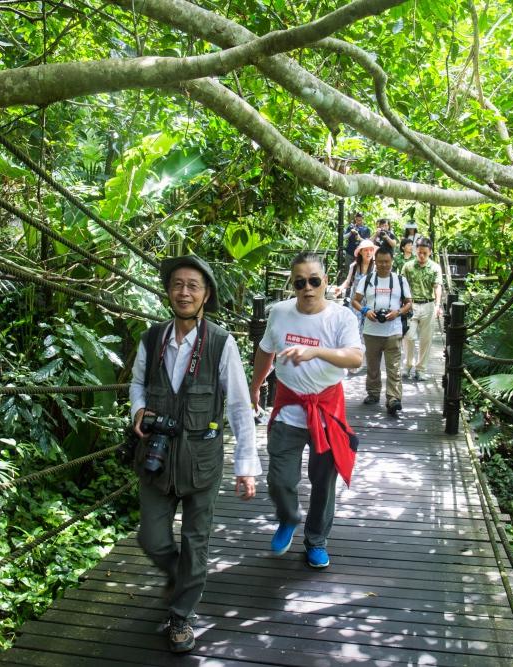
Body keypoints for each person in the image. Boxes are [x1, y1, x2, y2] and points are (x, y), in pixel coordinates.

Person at [130, 255, 260, 653]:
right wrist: (137, 409)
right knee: (152, 538)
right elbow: (137, 383)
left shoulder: (222, 343)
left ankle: (181, 616)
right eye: (177, 285)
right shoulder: (153, 339)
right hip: (156, 456)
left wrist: (246, 467)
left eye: (193, 286)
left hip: (202, 460)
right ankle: (180, 574)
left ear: (206, 295)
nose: (183, 292)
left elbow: (239, 407)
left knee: (196, 541)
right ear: (168, 291)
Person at [249, 251, 363, 569]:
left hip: (327, 408)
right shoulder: (280, 313)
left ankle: (316, 540)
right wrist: (255, 386)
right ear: (293, 284)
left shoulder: (341, 317)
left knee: (323, 482)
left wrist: (316, 352)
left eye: (314, 280)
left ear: (325, 281)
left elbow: (355, 358)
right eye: (300, 282)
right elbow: (265, 351)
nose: (308, 288)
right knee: (280, 478)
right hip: (289, 406)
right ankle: (288, 517)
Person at [351, 243, 412, 417]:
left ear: (392, 261)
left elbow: (409, 302)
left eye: (387, 261)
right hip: (371, 331)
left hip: (393, 330)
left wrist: (398, 312)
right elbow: (355, 300)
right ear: (375, 262)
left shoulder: (400, 280)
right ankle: (373, 394)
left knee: (393, 367)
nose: (383, 265)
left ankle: (393, 399)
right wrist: (365, 311)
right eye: (380, 262)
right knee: (372, 366)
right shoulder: (367, 279)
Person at [401, 240, 443, 382]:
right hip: (410, 304)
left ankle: (421, 370)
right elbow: (402, 285)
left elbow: (437, 286)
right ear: (415, 251)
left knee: (426, 339)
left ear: (430, 252)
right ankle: (407, 364)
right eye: (419, 252)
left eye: (425, 253)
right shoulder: (408, 266)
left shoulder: (435, 267)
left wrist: (438, 305)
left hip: (428, 305)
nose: (422, 255)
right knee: (409, 336)